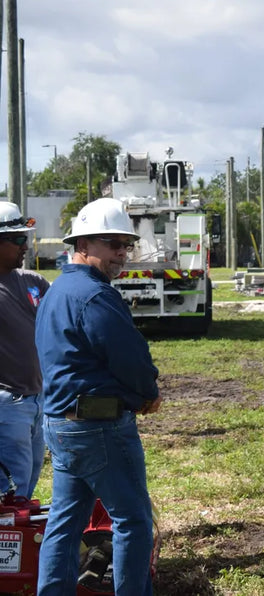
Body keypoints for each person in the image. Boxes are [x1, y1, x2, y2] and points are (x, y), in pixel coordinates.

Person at [35, 197, 161, 596]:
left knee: (65, 521)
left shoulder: (57, 292)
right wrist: (145, 393)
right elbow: (129, 359)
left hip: (62, 424)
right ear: (84, 245)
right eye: (112, 244)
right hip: (98, 427)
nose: (121, 254)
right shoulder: (94, 296)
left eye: (125, 244)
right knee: (133, 521)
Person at [0, 201, 49, 498]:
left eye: (26, 238)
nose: (25, 246)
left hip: (37, 401)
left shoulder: (34, 282)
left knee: (26, 485)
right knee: (10, 489)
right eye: (18, 239)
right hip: (7, 403)